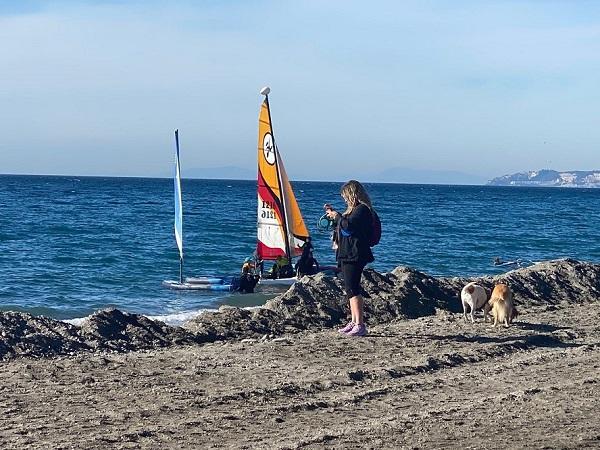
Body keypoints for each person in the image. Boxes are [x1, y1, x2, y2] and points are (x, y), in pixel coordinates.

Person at [325, 180, 375, 337]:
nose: (345, 199)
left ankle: (360, 324)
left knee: (353, 288)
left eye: (346, 196)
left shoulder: (362, 210)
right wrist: (336, 217)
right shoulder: (354, 210)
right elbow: (345, 226)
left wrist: (339, 217)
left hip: (355, 253)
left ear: (352, 194)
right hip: (347, 253)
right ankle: (354, 321)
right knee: (349, 288)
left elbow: (349, 226)